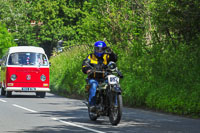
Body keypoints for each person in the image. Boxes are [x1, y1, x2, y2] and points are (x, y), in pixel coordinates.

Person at [82, 41, 118, 111]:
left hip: (105, 77)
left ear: (104, 49)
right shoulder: (90, 56)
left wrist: (111, 52)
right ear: (94, 49)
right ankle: (92, 105)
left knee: (114, 84)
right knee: (94, 85)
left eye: (100, 49)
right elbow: (84, 64)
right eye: (97, 49)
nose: (99, 50)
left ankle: (115, 104)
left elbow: (115, 59)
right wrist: (87, 70)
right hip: (93, 77)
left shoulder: (107, 56)